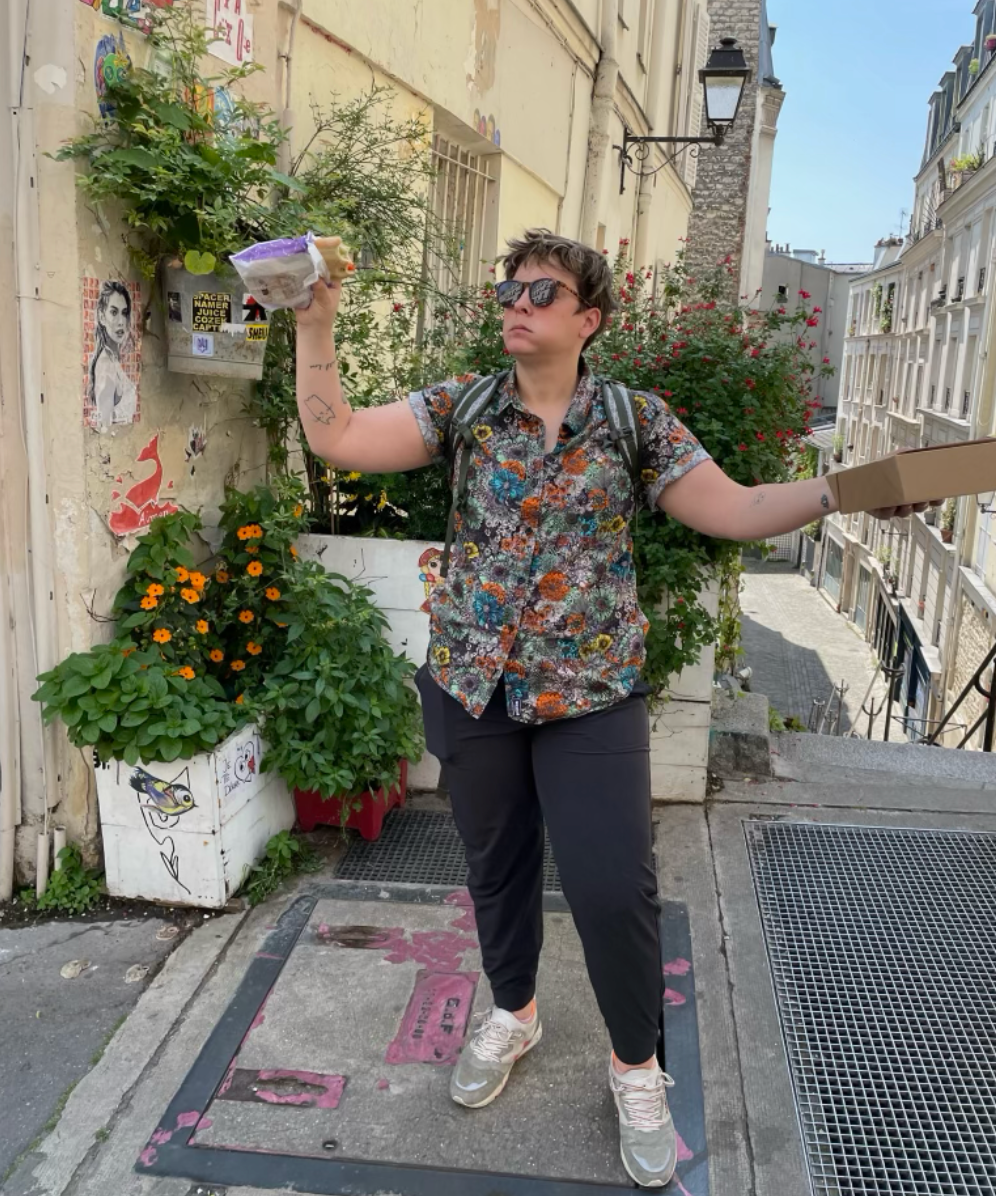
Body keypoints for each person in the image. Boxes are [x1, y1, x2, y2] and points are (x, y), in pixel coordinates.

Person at [294, 228, 934, 1189]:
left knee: (611, 887)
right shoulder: (464, 407)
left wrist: (841, 492)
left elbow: (739, 508)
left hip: (591, 693)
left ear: (589, 319)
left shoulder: (634, 422)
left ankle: (636, 1065)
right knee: (496, 868)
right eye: (509, 288)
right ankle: (514, 1011)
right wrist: (317, 322)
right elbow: (334, 434)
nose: (516, 302)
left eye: (542, 292)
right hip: (475, 685)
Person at [89, 279, 136, 431]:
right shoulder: (105, 365)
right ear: (102, 317)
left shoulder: (113, 360)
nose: (121, 321)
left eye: (124, 313)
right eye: (114, 312)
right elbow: (105, 427)